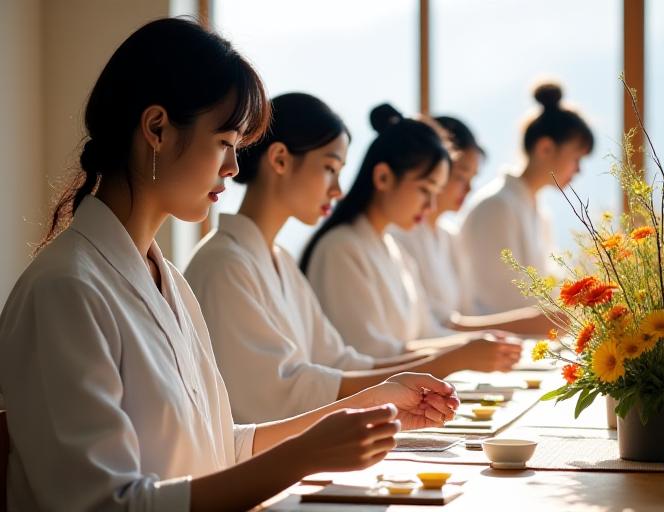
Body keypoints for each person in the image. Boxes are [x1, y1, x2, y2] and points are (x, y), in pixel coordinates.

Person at [0, 19, 458, 512]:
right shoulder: (66, 290)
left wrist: (366, 403)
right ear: (156, 128)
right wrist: (301, 458)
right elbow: (106, 506)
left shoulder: (165, 280)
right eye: (225, 142)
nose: (234, 168)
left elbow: (219, 449)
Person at [187, 93, 521, 422]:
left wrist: (449, 360)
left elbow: (340, 361)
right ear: (280, 160)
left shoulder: (278, 259)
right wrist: (448, 361)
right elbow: (282, 394)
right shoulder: (226, 265)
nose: (337, 189)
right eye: (330, 168)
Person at [300, 103, 522, 365]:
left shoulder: (392, 248)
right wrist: (459, 355)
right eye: (425, 190)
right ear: (383, 177)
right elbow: (365, 355)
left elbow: (425, 332)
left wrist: (483, 343)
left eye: (435, 192)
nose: (430, 206)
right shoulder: (340, 249)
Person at [392, 115, 559, 335]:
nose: (469, 188)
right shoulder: (400, 236)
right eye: (461, 177)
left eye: (472, 178)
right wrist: (526, 322)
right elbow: (431, 327)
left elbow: (465, 314)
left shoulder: (448, 236)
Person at [459, 83, 594, 314]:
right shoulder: (496, 207)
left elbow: (551, 283)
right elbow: (503, 301)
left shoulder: (538, 212)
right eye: (576, 158)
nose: (578, 170)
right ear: (545, 148)